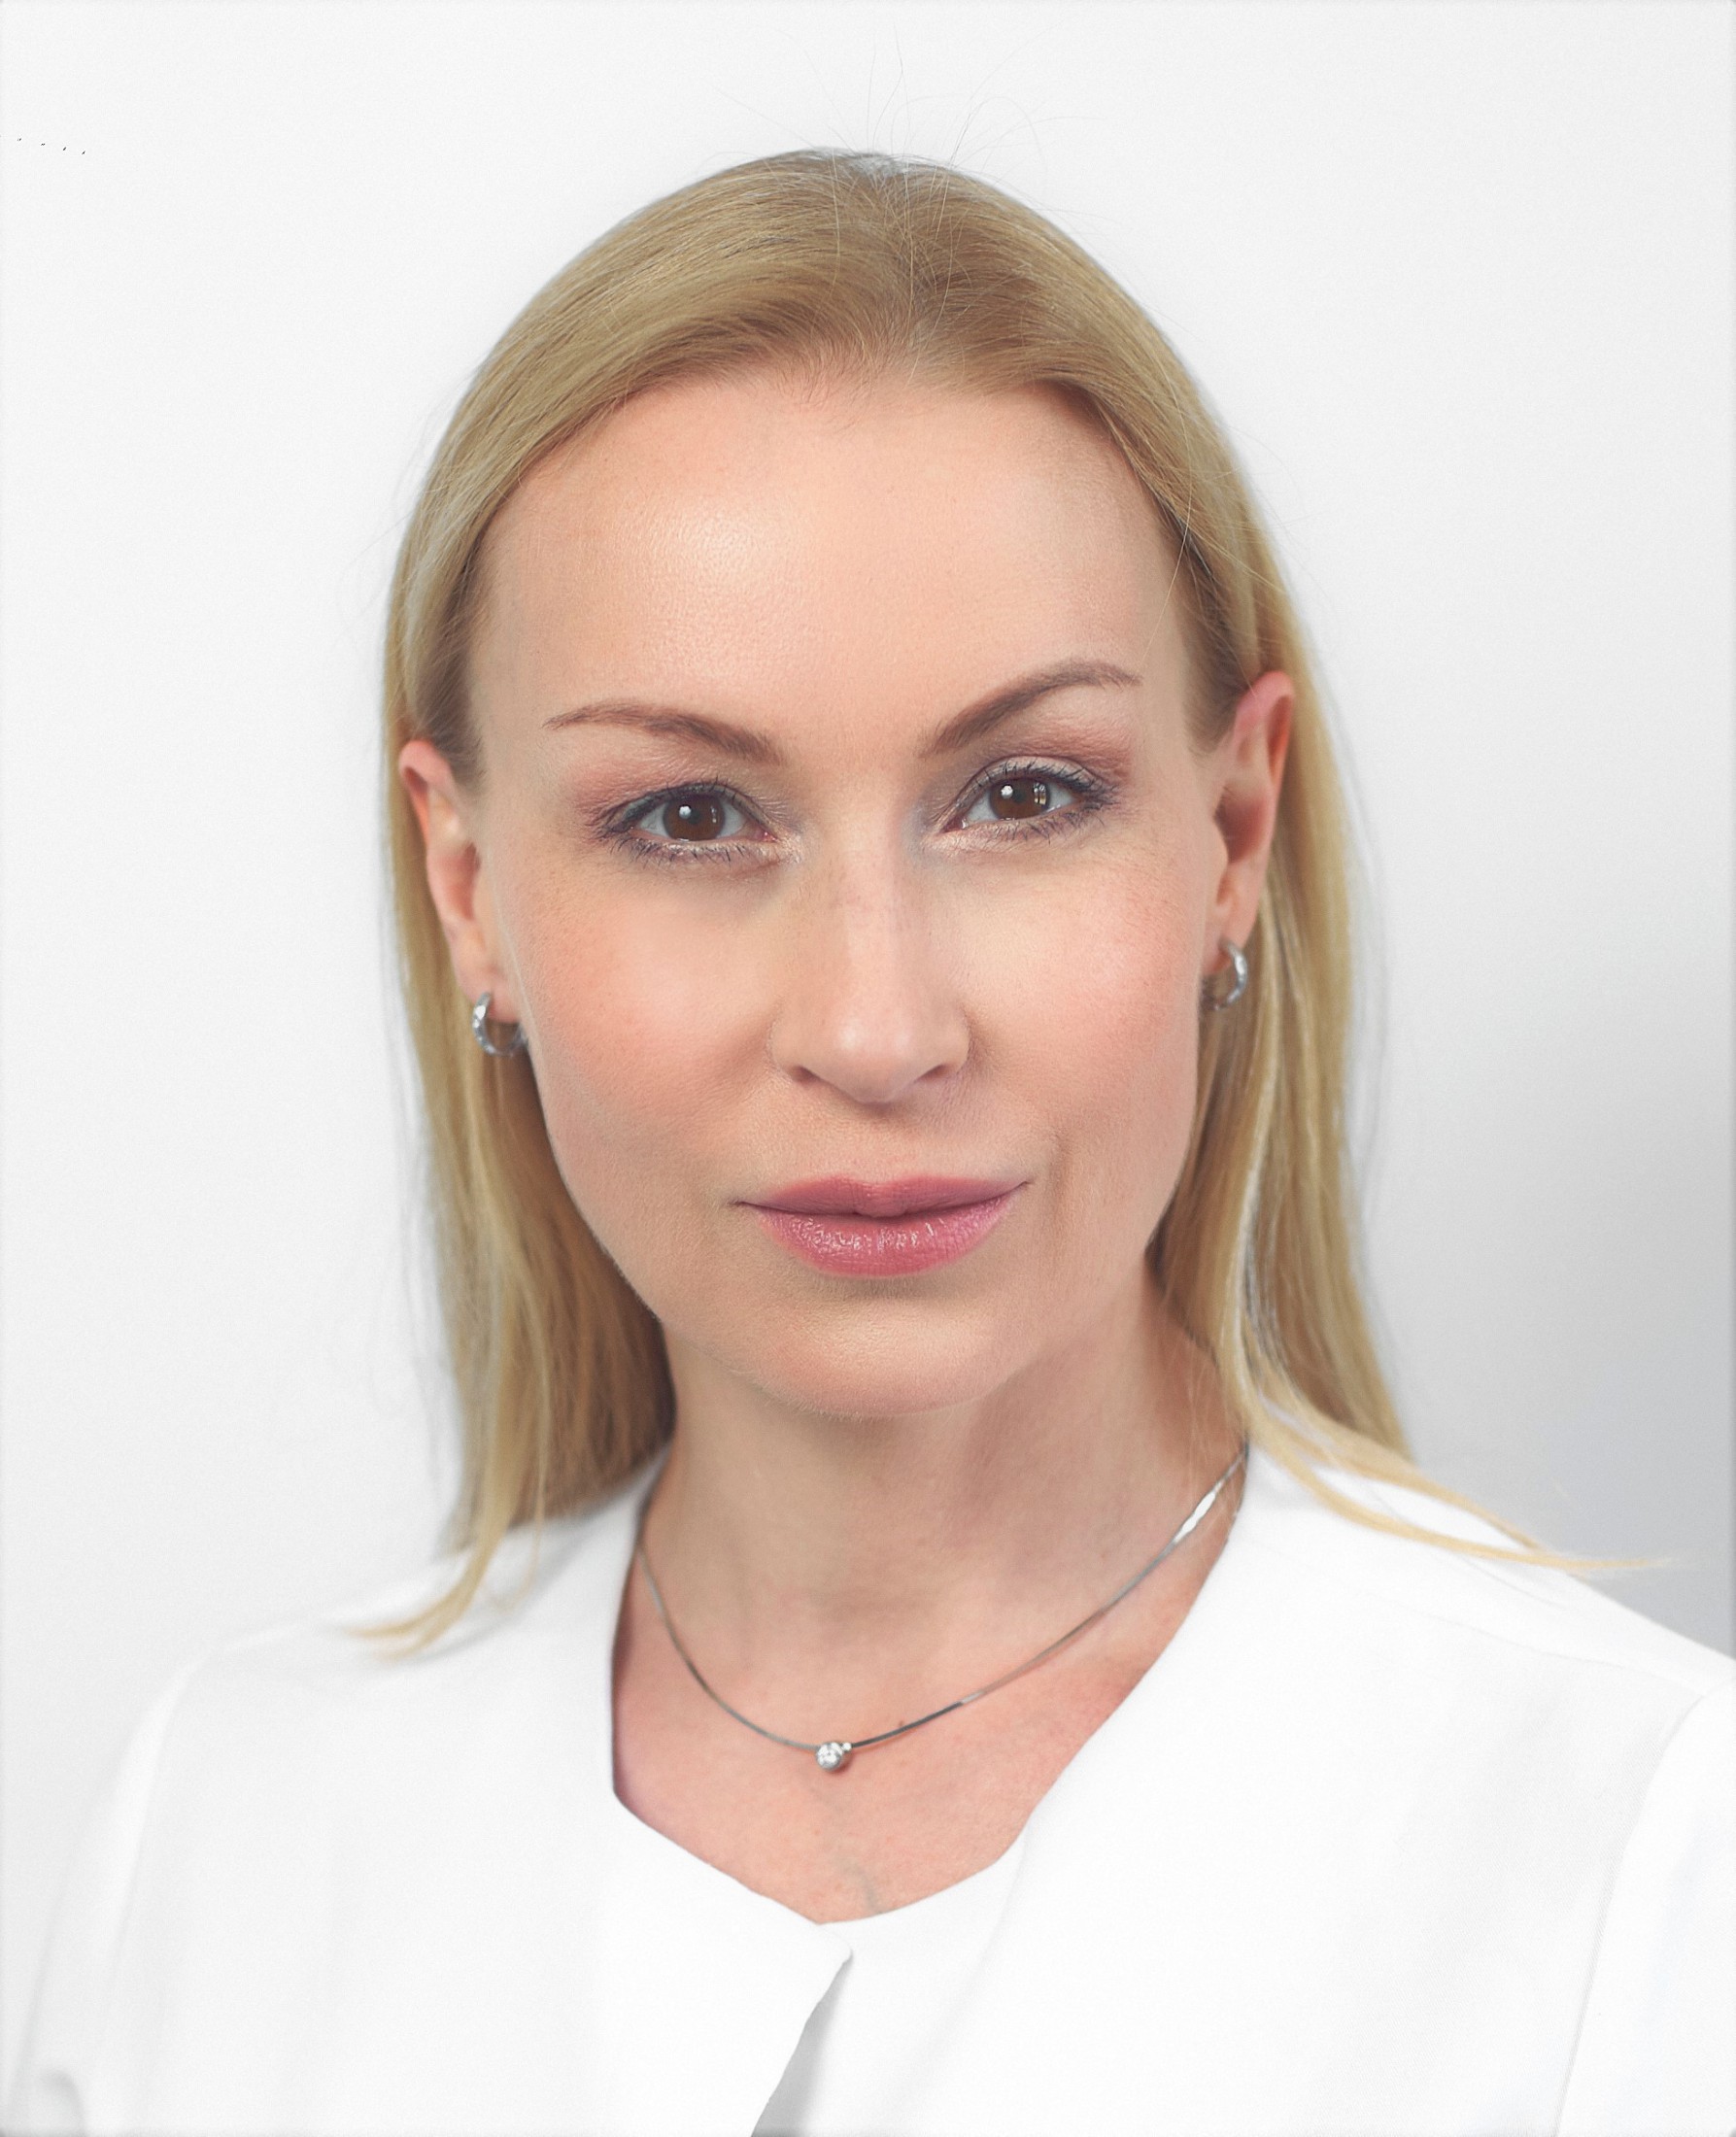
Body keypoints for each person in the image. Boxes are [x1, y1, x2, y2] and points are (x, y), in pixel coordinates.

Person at [10, 149, 1732, 2137]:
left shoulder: (1648, 1860)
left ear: (1233, 836)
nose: (876, 1026)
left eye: (1024, 793)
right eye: (688, 817)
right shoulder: (219, 1834)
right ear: (468, 889)